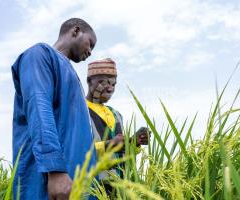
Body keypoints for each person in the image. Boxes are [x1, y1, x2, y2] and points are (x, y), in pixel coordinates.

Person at [11, 18, 98, 200]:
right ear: (75, 31)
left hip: (77, 185)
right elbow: (39, 108)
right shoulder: (39, 55)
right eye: (90, 44)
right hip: (49, 183)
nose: (90, 52)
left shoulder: (71, 74)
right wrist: (55, 170)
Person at [85, 58, 150, 194]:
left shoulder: (116, 114)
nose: (110, 88)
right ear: (89, 81)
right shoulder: (78, 110)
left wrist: (134, 143)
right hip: (92, 187)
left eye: (113, 84)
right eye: (104, 82)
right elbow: (75, 149)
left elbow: (123, 154)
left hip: (120, 188)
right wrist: (110, 144)